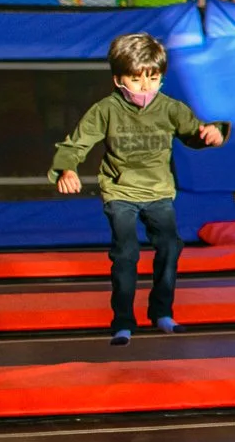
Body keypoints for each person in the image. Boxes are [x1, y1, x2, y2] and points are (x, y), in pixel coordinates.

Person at [50, 32, 226, 345]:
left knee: (170, 245)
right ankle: (123, 322)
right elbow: (76, 144)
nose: (145, 87)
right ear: (118, 80)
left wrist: (213, 134)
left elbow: (194, 132)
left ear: (161, 78)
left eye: (153, 79)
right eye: (136, 79)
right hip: (120, 191)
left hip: (158, 191)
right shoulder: (106, 110)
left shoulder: (170, 108)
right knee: (126, 253)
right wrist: (67, 168)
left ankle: (162, 313)